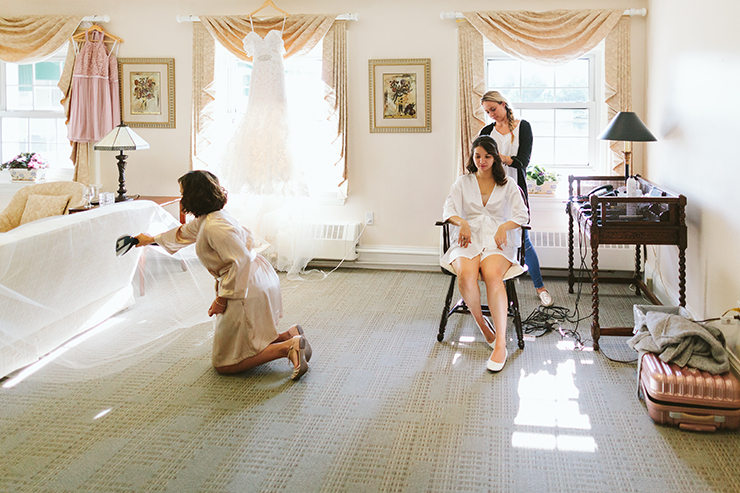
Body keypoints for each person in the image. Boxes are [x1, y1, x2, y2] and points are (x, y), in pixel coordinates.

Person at [134, 170, 311, 380]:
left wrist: (222, 298)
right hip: (253, 278)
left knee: (225, 363)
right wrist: (147, 240)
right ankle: (289, 335)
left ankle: (288, 348)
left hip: (245, 284)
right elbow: (182, 233)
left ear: (194, 196)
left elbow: (240, 261)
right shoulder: (211, 218)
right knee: (244, 340)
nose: (182, 199)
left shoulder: (214, 226)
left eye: (183, 193)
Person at [442, 136, 529, 372]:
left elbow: (522, 215)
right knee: (466, 276)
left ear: (495, 157)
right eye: (477, 156)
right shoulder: (463, 182)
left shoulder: (508, 184)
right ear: (472, 156)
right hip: (468, 238)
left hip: (497, 241)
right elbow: (448, 209)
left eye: (487, 156)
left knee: (492, 275)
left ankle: (500, 343)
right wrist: (462, 222)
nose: (481, 161)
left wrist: (504, 226)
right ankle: (483, 325)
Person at [479, 90, 554, 308]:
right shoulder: (486, 131)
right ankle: (497, 288)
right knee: (490, 235)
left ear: (503, 104)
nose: (491, 114)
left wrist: (499, 157)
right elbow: (480, 161)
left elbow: (522, 161)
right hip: (491, 191)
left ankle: (540, 287)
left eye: (493, 109)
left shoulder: (523, 127)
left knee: (523, 238)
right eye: (487, 112)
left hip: (514, 189)